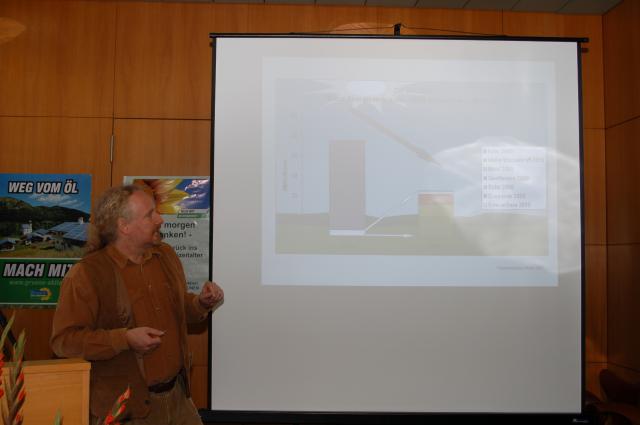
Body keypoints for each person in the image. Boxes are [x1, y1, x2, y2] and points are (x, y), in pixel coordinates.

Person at [51, 184, 223, 425]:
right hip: (128, 410)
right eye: (150, 214)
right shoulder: (86, 275)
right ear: (124, 226)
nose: (160, 219)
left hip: (178, 399)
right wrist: (124, 339)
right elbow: (64, 342)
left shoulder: (165, 255)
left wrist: (200, 303)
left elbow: (179, 308)